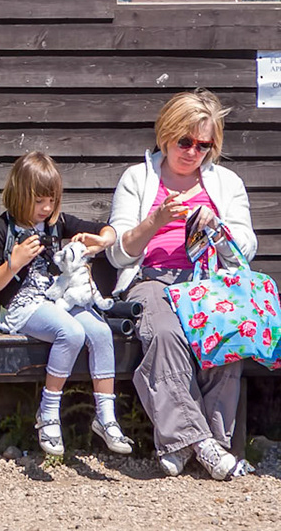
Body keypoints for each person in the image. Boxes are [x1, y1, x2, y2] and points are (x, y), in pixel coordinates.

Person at [108, 89, 256, 481]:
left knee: (227, 332)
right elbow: (118, 255)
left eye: (203, 145)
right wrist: (154, 221)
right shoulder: (138, 179)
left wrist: (219, 229)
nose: (192, 152)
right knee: (166, 333)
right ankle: (203, 445)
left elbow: (246, 247)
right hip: (151, 280)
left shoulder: (225, 183)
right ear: (165, 135)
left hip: (208, 281)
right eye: (184, 142)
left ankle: (194, 443)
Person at [0, 151, 130, 459]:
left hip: (55, 299)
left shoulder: (56, 223)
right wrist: (15, 262)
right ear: (20, 195)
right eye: (38, 201)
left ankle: (106, 416)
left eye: (51, 200)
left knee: (99, 332)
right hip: (20, 306)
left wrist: (101, 240)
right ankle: (48, 415)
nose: (46, 208)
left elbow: (106, 229)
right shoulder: (2, 229)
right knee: (71, 333)